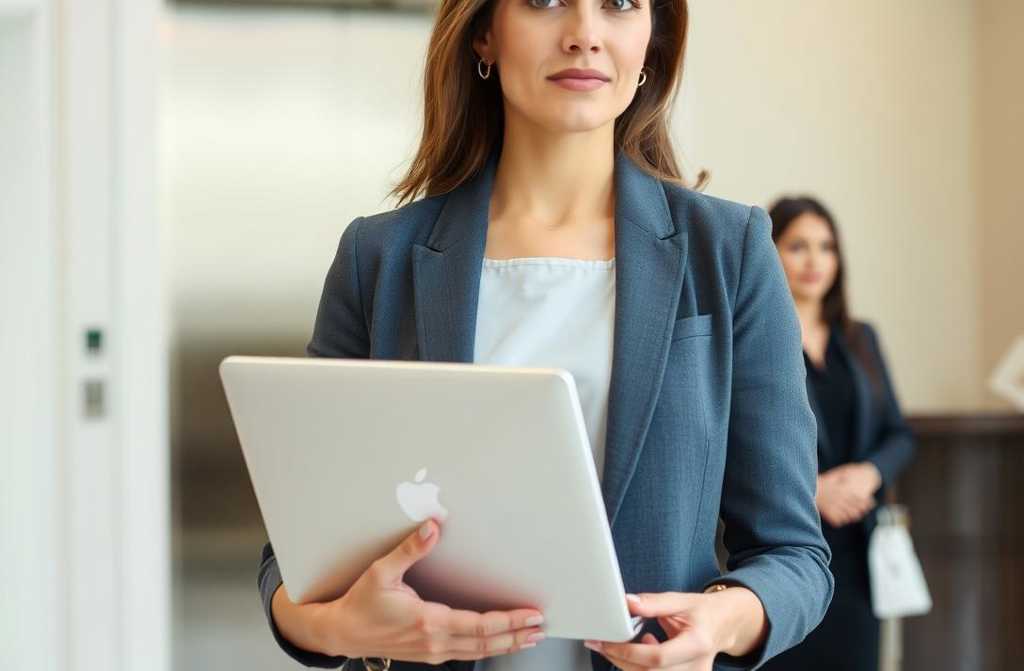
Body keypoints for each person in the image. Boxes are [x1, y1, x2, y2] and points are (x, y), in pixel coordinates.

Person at [257, 1, 834, 669]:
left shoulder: (729, 252)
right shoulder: (377, 260)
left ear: (653, 41)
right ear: (484, 33)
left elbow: (795, 557)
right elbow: (293, 555)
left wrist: (727, 619)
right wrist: (330, 627)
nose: (584, 34)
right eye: (544, 0)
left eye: (619, 4)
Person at [761, 196, 916, 671]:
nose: (814, 261)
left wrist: (868, 474)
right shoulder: (756, 337)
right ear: (769, 251)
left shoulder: (860, 339)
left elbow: (899, 434)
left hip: (860, 552)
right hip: (787, 547)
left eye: (826, 247)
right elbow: (732, 446)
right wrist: (811, 492)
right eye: (797, 246)